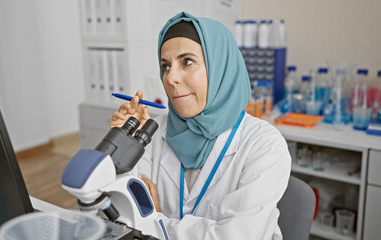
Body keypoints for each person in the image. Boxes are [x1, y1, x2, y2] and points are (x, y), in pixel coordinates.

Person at [110, 12, 291, 239]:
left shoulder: (264, 145)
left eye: (187, 62)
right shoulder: (152, 130)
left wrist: (156, 221)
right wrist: (120, 149)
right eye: (165, 66)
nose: (171, 78)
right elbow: (119, 214)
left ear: (220, 67)